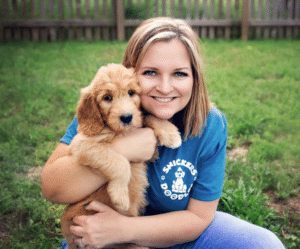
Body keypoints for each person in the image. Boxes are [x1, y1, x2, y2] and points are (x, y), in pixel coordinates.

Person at [41, 17, 285, 249]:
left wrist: (125, 229)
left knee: (264, 244)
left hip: (174, 233)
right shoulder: (105, 111)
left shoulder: (211, 125)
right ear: (130, 72)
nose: (165, 88)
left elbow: (198, 218)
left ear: (195, 79)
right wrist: (121, 150)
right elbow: (52, 187)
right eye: (150, 72)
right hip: (99, 236)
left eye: (179, 73)